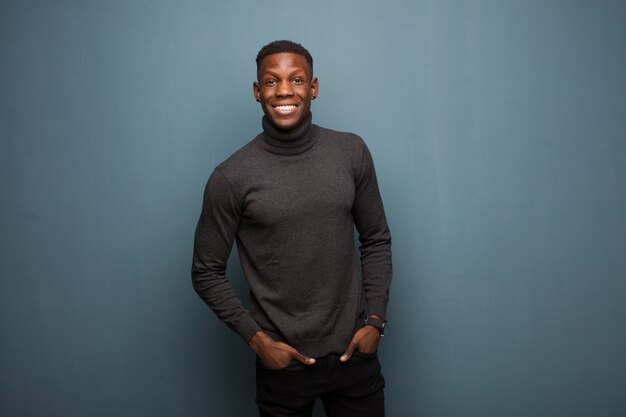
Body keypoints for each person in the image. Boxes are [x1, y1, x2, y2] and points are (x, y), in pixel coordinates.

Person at [192, 40, 392, 417]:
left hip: (356, 357)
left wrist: (376, 322)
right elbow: (205, 271)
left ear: (313, 88)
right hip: (283, 366)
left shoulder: (351, 152)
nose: (284, 90)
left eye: (296, 79)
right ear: (257, 92)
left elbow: (376, 239)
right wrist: (257, 341)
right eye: (271, 82)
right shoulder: (231, 177)